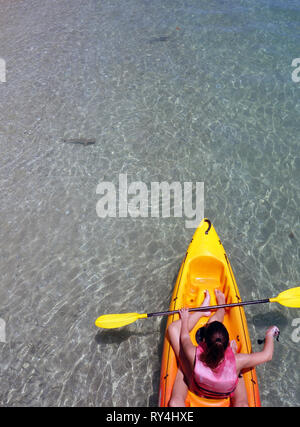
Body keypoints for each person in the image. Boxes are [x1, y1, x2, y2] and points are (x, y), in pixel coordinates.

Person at [167, 289, 279, 407]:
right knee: (242, 403)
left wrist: (184, 319)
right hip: (224, 393)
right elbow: (267, 355)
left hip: (198, 389)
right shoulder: (238, 360)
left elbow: (183, 335)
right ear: (227, 346)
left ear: (204, 341)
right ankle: (221, 307)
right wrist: (269, 334)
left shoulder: (193, 353)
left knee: (176, 399)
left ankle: (203, 311)